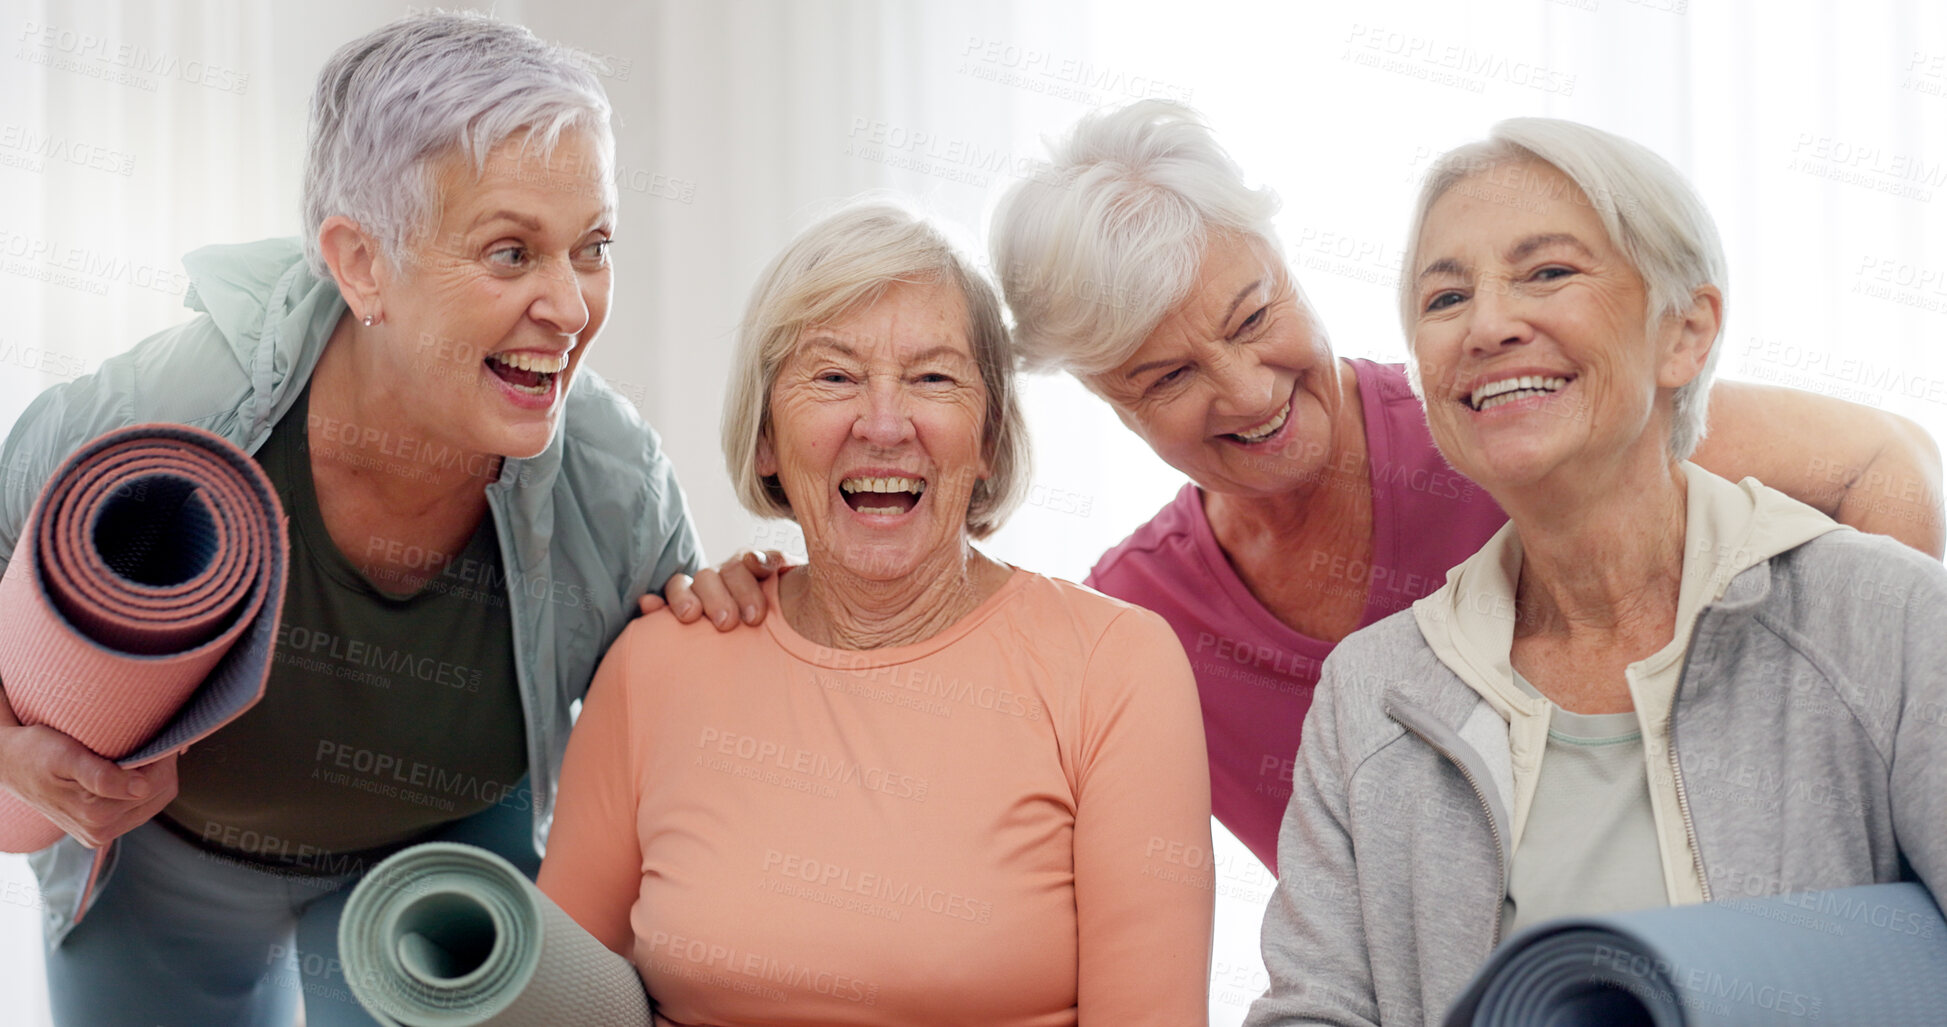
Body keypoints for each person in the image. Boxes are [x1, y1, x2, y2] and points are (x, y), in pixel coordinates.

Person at [972, 100, 1944, 872]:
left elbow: (1879, 463)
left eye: (1252, 315)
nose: (1249, 390)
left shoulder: (1508, 423)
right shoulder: (1138, 622)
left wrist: (1844, 833)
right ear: (1105, 398)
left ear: (1283, 263)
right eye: (1167, 378)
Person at [0, 13, 705, 1025]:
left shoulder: (616, 479)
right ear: (362, 263)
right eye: (510, 252)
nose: (570, 305)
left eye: (591, 247)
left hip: (448, 855)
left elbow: (684, 755)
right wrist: (12, 756)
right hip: (170, 864)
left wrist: (732, 625)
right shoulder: (162, 414)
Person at [1244, 118, 1947, 1027]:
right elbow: (1314, 1012)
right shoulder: (1368, 694)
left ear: (1684, 333)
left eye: (1547, 272)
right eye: (1445, 296)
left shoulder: (1885, 620)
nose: (1489, 324)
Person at [538, 202, 1214, 1026]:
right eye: (832, 376)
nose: (885, 424)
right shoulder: (657, 664)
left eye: (933, 378)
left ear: (990, 434)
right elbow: (549, 997)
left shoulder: (1115, 667)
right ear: (765, 438)